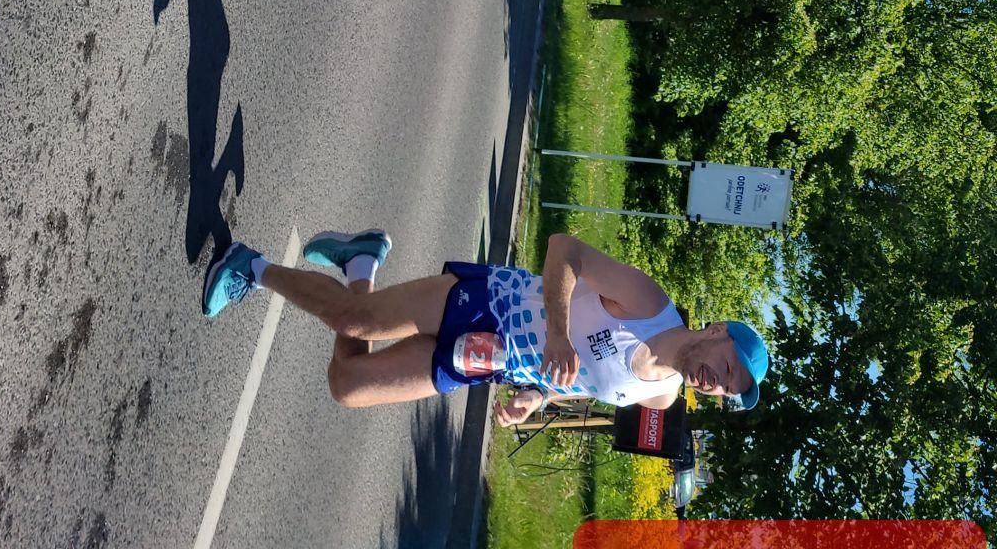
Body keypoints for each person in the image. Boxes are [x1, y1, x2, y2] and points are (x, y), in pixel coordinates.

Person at [202, 226, 770, 419]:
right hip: (489, 304)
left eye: (727, 390)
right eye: (728, 369)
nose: (717, 384)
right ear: (716, 331)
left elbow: (587, 382)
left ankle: (360, 262)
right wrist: (557, 332)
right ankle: (251, 267)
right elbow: (564, 249)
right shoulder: (648, 304)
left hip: (486, 362)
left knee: (348, 386)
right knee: (358, 323)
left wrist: (537, 397)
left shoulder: (661, 398)